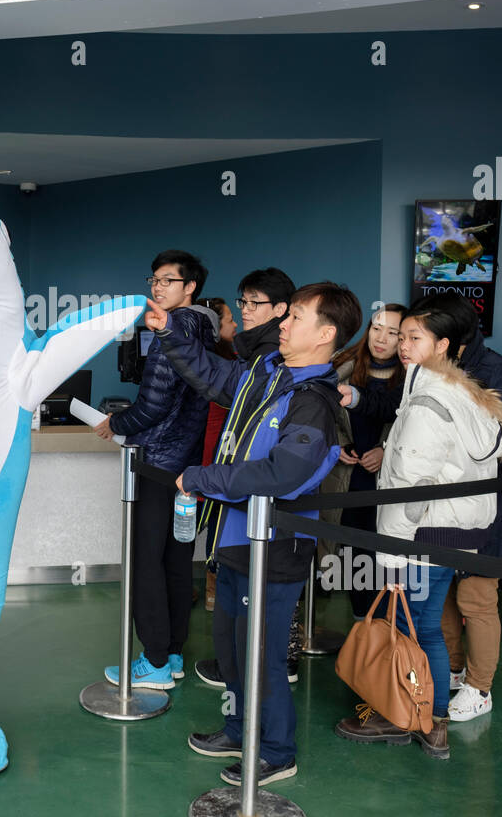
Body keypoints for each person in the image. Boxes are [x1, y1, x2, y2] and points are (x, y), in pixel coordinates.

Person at [149, 281, 362, 785]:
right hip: (236, 542)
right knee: (230, 648)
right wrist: (172, 335)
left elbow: (282, 474)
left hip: (276, 549)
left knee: (261, 656)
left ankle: (275, 750)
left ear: (326, 333)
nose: (282, 325)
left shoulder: (314, 401)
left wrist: (201, 478)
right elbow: (212, 374)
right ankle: (238, 727)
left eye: (297, 318)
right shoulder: (266, 374)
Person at [335, 300, 502, 759]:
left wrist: (391, 557)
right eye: (401, 336)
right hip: (451, 535)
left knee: (410, 627)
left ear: (443, 345)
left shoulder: (429, 402)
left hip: (422, 536)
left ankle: (405, 716)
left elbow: (406, 489)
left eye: (414, 338)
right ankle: (429, 720)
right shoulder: (462, 393)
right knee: (426, 627)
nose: (402, 345)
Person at [93, 251, 216, 689]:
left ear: (190, 288)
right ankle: (174, 654)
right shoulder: (205, 328)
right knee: (177, 562)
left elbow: (155, 402)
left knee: (146, 563)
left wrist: (116, 423)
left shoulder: (172, 330)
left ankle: (155, 662)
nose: (157, 287)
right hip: (186, 467)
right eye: (155, 279)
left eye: (169, 280)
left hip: (157, 462)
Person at [193, 268, 296, 684]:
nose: (245, 312)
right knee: (237, 607)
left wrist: (210, 479)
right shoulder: (249, 360)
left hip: (267, 516)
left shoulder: (286, 372)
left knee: (262, 611)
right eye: (242, 303)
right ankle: (240, 703)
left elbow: (282, 468)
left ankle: (268, 682)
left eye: (255, 304)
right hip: (236, 502)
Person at [437, 296, 502, 722]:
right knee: (445, 589)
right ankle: (452, 669)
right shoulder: (435, 368)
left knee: (477, 597)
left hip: (490, 506)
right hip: (443, 506)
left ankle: (479, 688)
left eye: (419, 331)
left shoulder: (497, 373)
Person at [321, 305, 407, 617]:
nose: (381, 338)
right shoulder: (340, 366)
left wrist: (386, 449)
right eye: (376, 328)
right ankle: (360, 629)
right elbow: (321, 417)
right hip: (347, 473)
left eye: (393, 332)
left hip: (386, 479)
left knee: (379, 554)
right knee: (346, 550)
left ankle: (378, 629)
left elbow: (408, 425)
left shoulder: (413, 378)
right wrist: (338, 444)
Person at [196, 298, 237, 610]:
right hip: (208, 460)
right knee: (209, 526)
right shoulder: (219, 367)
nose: (235, 325)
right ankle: (209, 589)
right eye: (229, 320)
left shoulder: (232, 361)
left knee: (214, 527)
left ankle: (211, 589)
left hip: (216, 461)